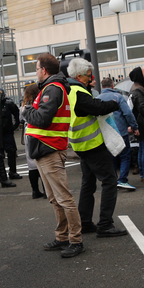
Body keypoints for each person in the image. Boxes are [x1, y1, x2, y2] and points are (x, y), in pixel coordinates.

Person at [21, 53, 83, 258]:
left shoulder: (52, 89)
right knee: (55, 199)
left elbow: (42, 118)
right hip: (45, 150)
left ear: (44, 70)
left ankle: (75, 240)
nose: (36, 72)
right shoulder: (52, 88)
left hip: (49, 150)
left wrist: (26, 110)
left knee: (64, 198)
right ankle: (62, 236)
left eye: (37, 68)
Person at [65, 58, 127, 238]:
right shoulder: (78, 92)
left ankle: (85, 222)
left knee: (88, 184)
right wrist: (115, 102)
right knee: (109, 181)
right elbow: (96, 107)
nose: (91, 78)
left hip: (80, 144)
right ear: (79, 76)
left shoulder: (70, 90)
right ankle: (105, 225)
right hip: (91, 144)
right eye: (88, 75)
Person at [98, 77, 138, 191]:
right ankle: (123, 180)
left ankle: (113, 180)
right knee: (125, 155)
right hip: (121, 131)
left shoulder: (97, 98)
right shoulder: (118, 97)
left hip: (106, 133)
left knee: (111, 157)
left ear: (102, 87)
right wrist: (134, 126)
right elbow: (128, 113)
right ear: (112, 86)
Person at [19, 84, 46, 199]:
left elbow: (20, 119)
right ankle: (46, 191)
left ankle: (35, 191)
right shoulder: (38, 104)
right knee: (42, 160)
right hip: (37, 130)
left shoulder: (23, 105)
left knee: (31, 162)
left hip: (27, 132)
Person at [0, 88, 23, 180]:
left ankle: (13, 172)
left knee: (11, 151)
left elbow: (17, 114)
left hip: (7, 132)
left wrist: (15, 126)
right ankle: (0, 174)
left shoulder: (8, 103)